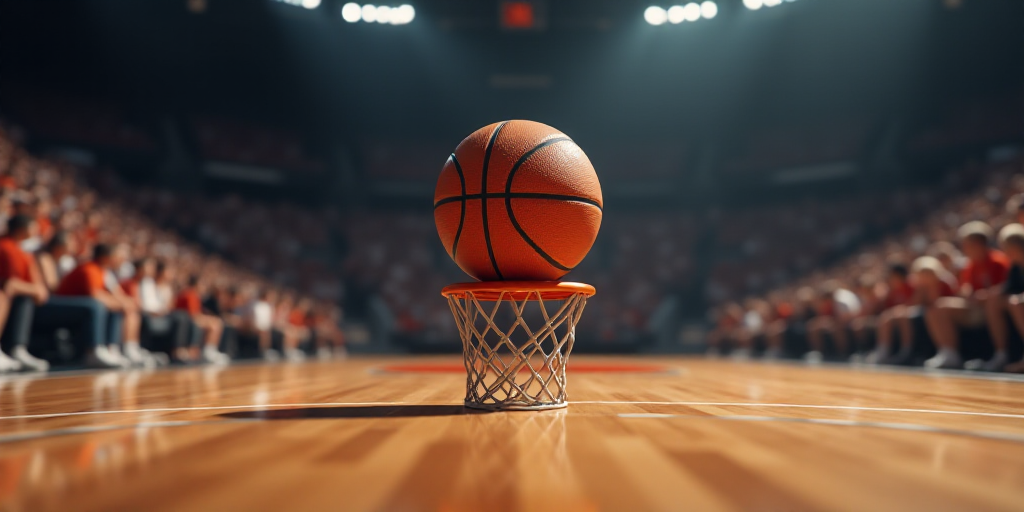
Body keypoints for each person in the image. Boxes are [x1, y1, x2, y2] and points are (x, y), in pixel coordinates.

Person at [923, 221, 1011, 370]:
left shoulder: (998, 261)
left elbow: (1007, 288)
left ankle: (1002, 354)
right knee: (937, 307)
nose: (964, 249)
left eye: (967, 244)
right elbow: (967, 290)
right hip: (975, 307)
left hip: (992, 306)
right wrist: (966, 294)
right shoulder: (970, 266)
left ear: (978, 243)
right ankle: (949, 354)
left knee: (991, 304)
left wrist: (986, 295)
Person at [0, 215, 50, 372]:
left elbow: (39, 290)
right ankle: (16, 349)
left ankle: (18, 349)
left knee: (25, 298)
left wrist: (36, 289)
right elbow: (9, 284)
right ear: (23, 228)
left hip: (19, 300)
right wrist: (36, 289)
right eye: (33, 226)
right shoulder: (6, 247)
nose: (37, 230)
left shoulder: (22, 251)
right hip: (7, 295)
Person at [864, 263, 916, 365]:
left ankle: (907, 351)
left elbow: (914, 303)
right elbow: (885, 306)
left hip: (909, 313)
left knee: (899, 316)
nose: (889, 279)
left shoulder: (911, 286)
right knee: (885, 317)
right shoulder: (892, 290)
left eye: (891, 276)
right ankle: (883, 351)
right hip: (895, 316)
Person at [174, 274, 229, 365]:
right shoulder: (189, 294)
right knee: (215, 323)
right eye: (202, 284)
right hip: (186, 320)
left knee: (216, 321)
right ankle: (208, 352)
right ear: (196, 284)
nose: (204, 287)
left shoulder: (194, 295)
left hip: (188, 319)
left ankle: (210, 350)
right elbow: (193, 315)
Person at [804, 281, 862, 363]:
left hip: (854, 321)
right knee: (813, 326)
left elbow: (848, 316)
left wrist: (831, 322)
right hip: (839, 321)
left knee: (837, 329)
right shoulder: (832, 299)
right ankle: (818, 353)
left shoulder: (842, 299)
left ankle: (843, 354)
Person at [999, 224, 1024, 373]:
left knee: (1017, 303)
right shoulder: (1015, 266)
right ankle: (1001, 354)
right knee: (995, 302)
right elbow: (1008, 288)